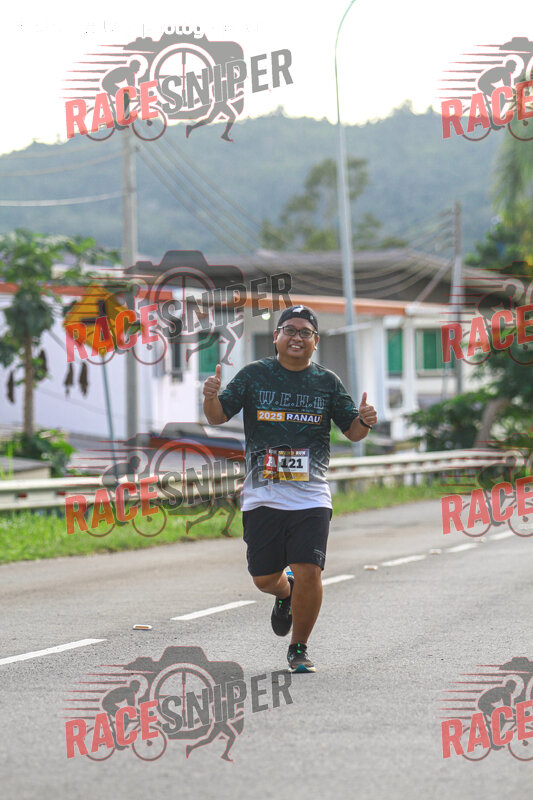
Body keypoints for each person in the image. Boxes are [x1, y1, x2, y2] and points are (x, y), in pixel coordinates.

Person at [202, 305, 377, 672]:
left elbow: (353, 431)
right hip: (262, 494)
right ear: (277, 337)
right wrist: (210, 396)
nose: (297, 337)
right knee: (264, 577)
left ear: (315, 341)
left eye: (305, 332)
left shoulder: (327, 382)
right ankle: (284, 591)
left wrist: (364, 420)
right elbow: (218, 416)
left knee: (310, 569)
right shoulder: (254, 375)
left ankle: (299, 647)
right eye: (290, 330)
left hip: (311, 495)